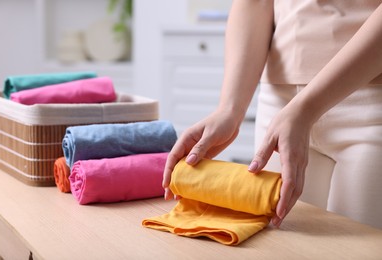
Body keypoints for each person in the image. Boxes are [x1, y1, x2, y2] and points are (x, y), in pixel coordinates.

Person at [163, 0, 382, 229]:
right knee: (283, 245)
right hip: (280, 106)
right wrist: (229, 109)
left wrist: (305, 108)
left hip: (368, 104)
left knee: (359, 246)